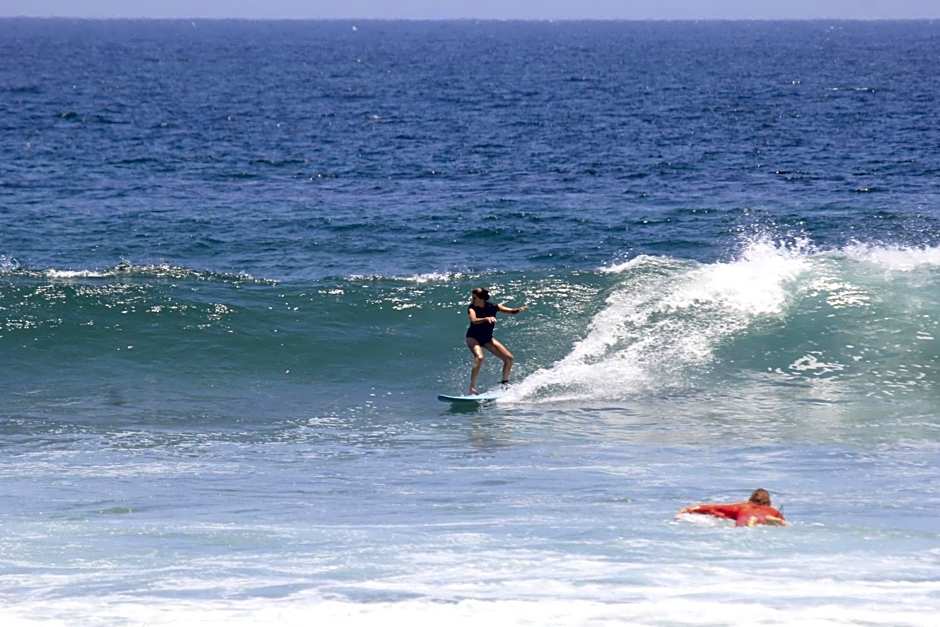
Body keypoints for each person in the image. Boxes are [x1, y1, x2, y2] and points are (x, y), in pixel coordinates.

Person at [465, 287, 527, 394]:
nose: (472, 300)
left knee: (509, 358)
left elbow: (511, 311)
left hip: (487, 338)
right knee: (479, 357)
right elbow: (474, 320)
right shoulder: (472, 308)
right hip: (473, 337)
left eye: (474, 298)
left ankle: (504, 384)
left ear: (481, 298)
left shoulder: (493, 307)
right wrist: (486, 318)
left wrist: (518, 310)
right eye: (472, 297)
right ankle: (472, 388)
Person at [678, 489, 787, 527]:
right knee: (777, 523)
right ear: (769, 502)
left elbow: (713, 508)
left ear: (750, 499)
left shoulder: (742, 507)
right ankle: (766, 521)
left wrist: (689, 509)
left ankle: (752, 523)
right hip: (769, 517)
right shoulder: (774, 511)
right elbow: (784, 522)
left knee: (745, 526)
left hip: (747, 518)